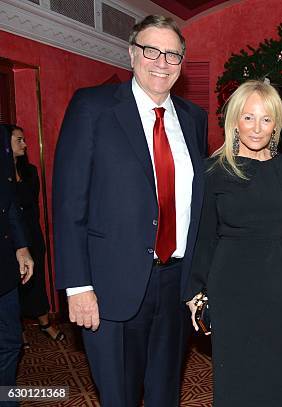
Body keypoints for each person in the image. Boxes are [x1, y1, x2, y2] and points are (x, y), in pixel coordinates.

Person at [53, 15, 207, 406]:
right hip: (109, 287)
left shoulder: (193, 119)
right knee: (118, 395)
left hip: (175, 285)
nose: (161, 61)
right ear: (132, 54)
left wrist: (197, 282)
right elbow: (69, 203)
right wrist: (78, 286)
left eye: (172, 54)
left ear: (182, 63)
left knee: (164, 393)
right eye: (151, 50)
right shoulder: (93, 107)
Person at [186, 80, 282, 407]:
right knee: (235, 374)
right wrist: (195, 294)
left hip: (277, 283)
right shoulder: (213, 170)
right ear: (234, 120)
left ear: (276, 125)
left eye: (266, 119)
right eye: (248, 117)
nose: (256, 127)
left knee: (278, 371)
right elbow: (203, 235)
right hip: (231, 285)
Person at [8, 125, 64, 343]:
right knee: (13, 284)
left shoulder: (29, 171)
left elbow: (27, 201)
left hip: (31, 233)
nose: (25, 144)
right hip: (9, 238)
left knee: (36, 279)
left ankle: (45, 323)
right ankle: (17, 329)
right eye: (19, 140)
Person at [0, 124, 34, 407]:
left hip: (3, 265)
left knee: (10, 342)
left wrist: (21, 247)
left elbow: (8, 201)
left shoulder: (2, 138)